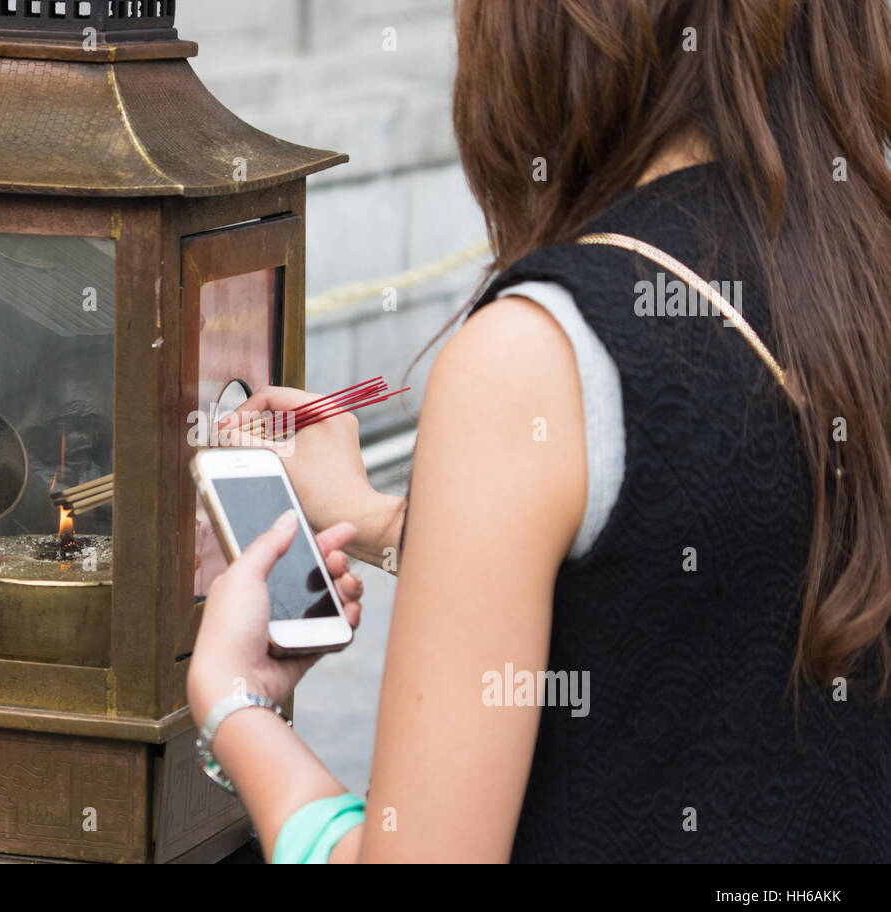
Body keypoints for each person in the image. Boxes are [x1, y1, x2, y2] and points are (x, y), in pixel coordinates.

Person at [187, 0, 891, 863]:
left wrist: (235, 707)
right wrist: (385, 521)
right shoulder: (859, 280)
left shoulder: (540, 351)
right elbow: (715, 558)